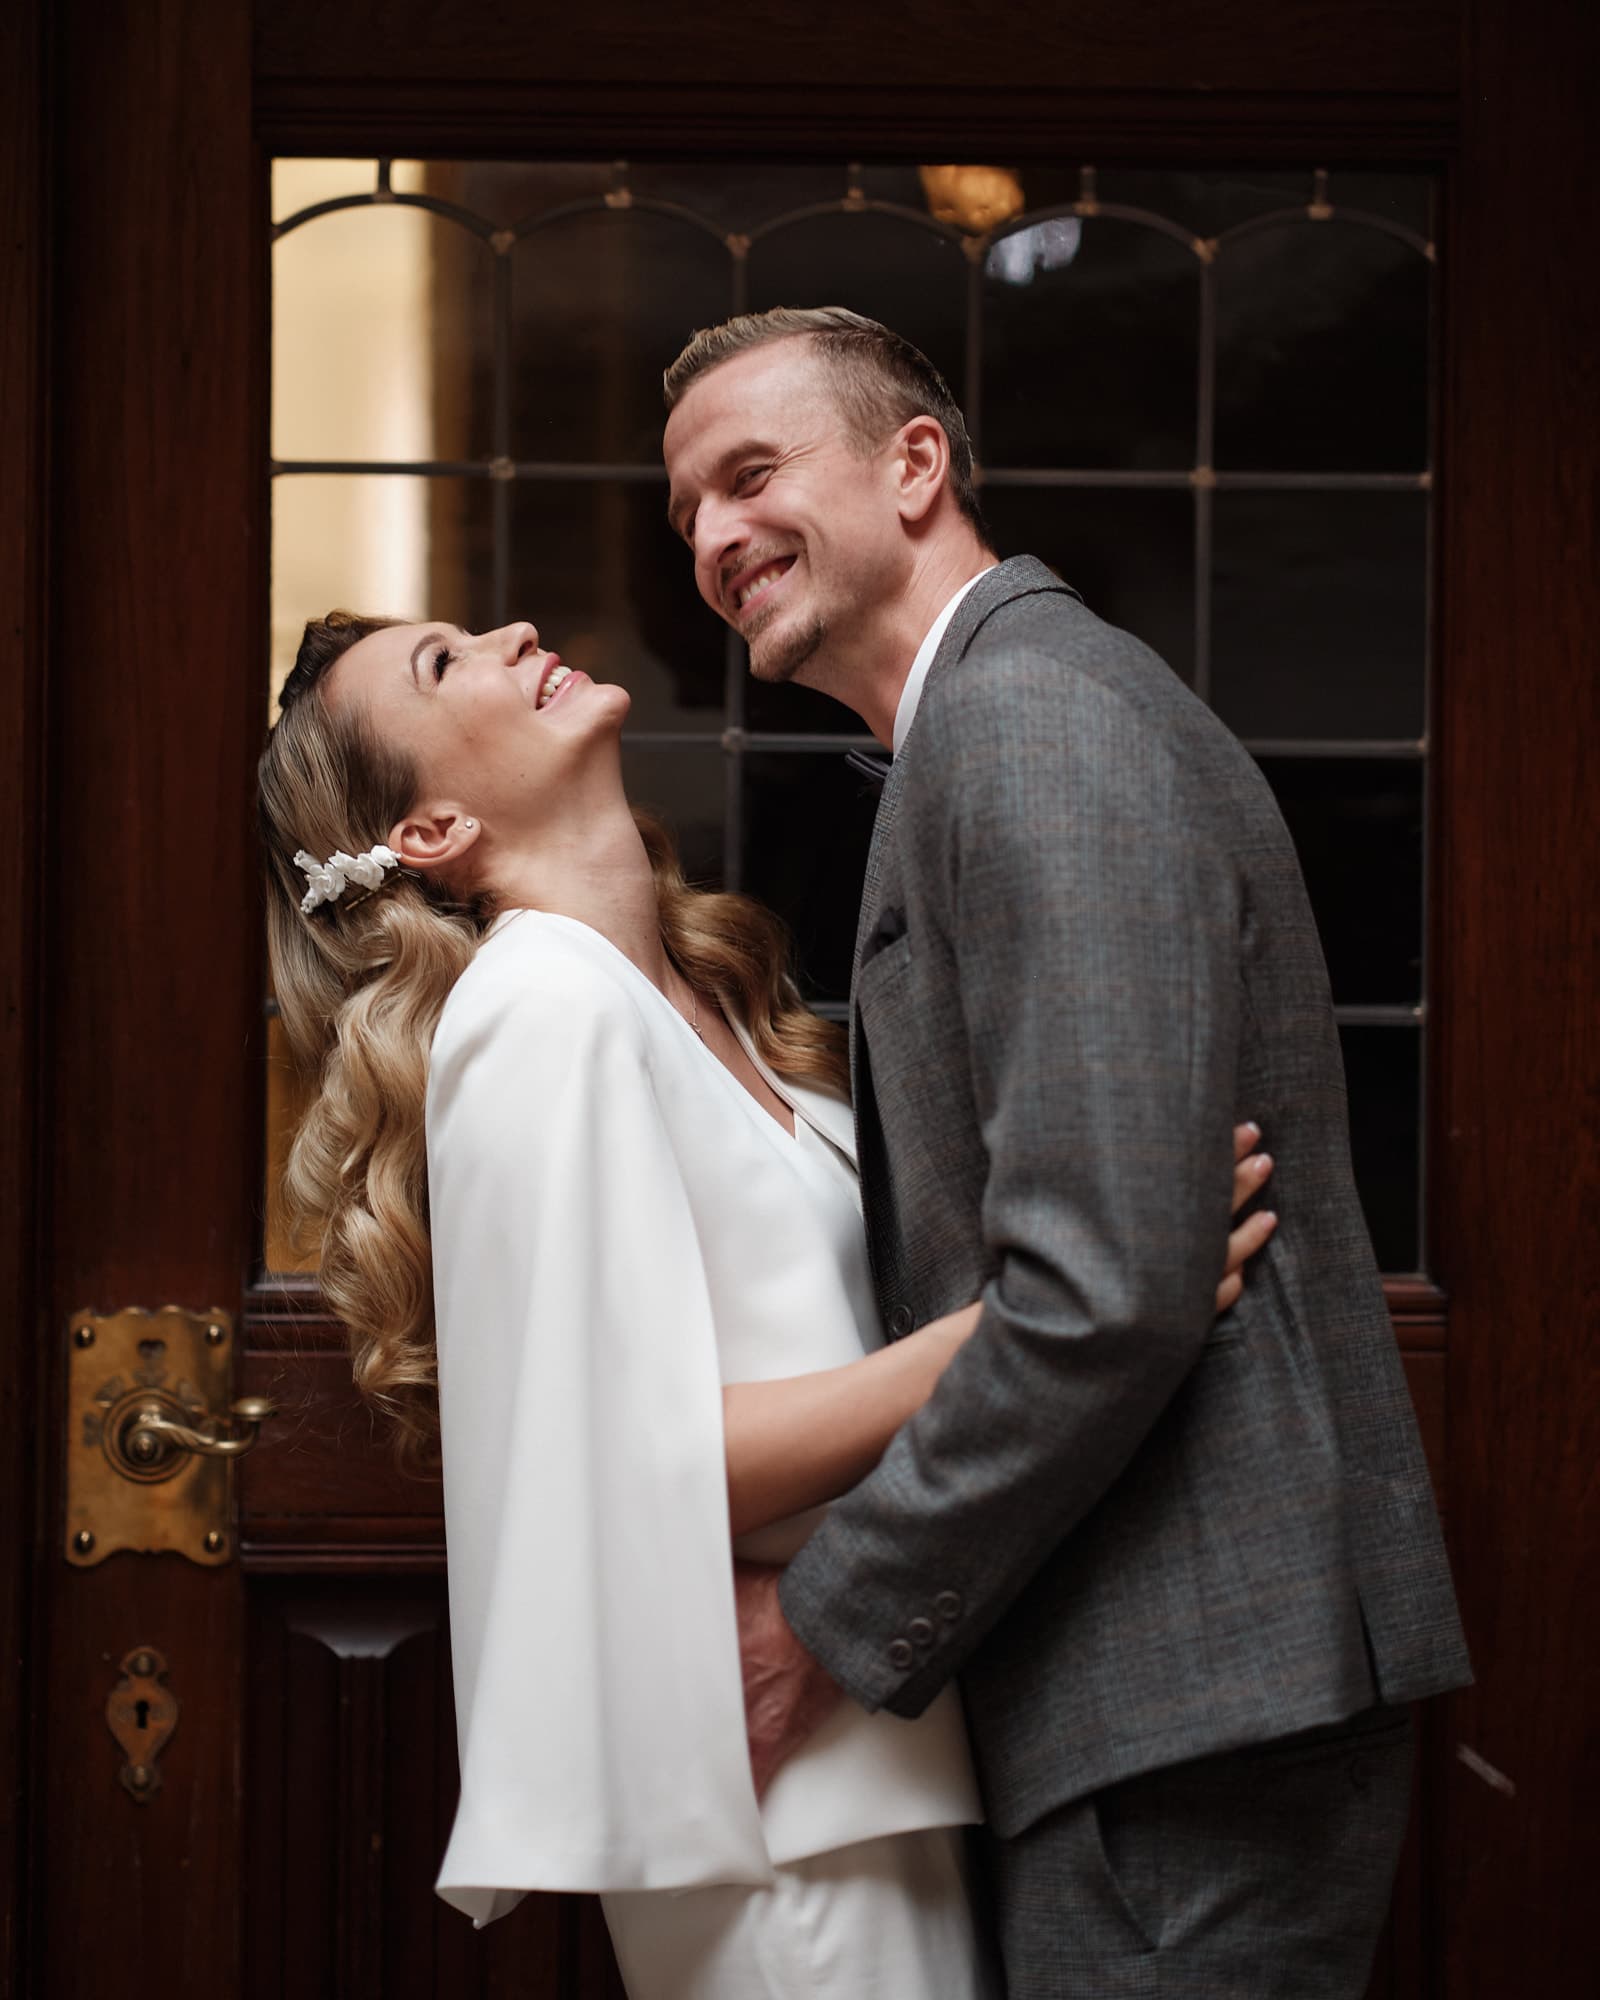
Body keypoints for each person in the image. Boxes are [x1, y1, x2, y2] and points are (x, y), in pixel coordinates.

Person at [257, 608, 1278, 2000]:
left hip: (892, 1754)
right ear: (430, 831)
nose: (510, 633)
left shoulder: (719, 1009)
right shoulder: (539, 1007)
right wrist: (1044, 1319)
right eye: (445, 665)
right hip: (779, 1828)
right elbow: (643, 1471)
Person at [661, 306, 1473, 1997]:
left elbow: (1104, 1289)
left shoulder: (1031, 723)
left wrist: (820, 1623)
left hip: (1191, 1694)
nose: (716, 539)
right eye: (689, 519)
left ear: (914, 465)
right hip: (1158, 1692)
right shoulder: (981, 729)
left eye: (751, 477)